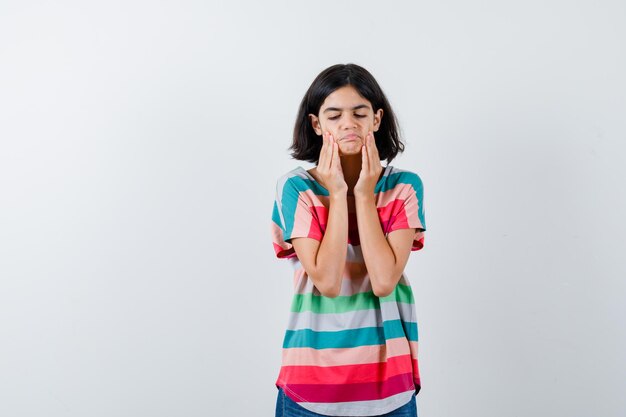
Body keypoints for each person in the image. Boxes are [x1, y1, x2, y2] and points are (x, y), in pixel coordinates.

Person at [271, 63, 427, 417]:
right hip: (311, 384)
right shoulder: (296, 187)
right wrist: (339, 194)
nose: (348, 124)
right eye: (334, 115)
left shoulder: (404, 187)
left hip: (389, 384)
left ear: (376, 119)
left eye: (360, 113)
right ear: (316, 124)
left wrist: (365, 192)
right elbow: (326, 280)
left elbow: (384, 280)